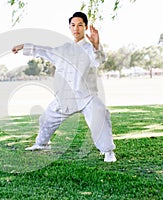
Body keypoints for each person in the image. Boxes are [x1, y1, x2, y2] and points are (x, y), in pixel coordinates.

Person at [11, 12, 116, 162]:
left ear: (85, 27)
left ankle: (108, 152)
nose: (76, 28)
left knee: (100, 117)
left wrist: (96, 45)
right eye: (73, 25)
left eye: (80, 25)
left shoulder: (90, 49)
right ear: (69, 27)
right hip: (66, 97)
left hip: (87, 97)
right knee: (46, 119)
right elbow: (45, 51)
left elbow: (99, 59)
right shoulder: (64, 49)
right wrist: (23, 47)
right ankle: (42, 143)